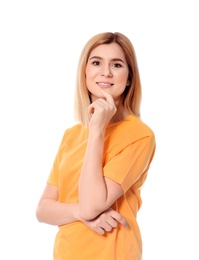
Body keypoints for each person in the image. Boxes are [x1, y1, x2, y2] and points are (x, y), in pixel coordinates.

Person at [36, 32, 156, 260]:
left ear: (129, 77)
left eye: (117, 64)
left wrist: (98, 130)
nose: (106, 72)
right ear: (85, 72)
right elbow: (43, 210)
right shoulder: (71, 135)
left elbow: (92, 205)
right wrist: (79, 213)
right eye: (96, 62)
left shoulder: (140, 135)